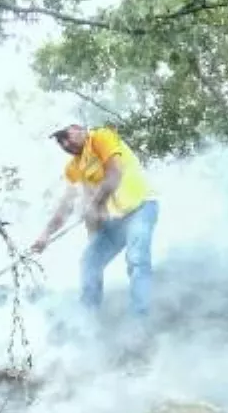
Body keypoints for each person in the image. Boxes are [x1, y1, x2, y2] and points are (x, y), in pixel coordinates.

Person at [31, 124, 159, 318]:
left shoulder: (100, 137)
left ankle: (140, 322)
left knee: (137, 259)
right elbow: (66, 206)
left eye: (66, 136)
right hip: (117, 221)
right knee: (90, 262)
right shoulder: (73, 168)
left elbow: (114, 173)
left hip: (141, 207)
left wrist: (95, 203)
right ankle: (87, 323)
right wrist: (45, 235)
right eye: (59, 141)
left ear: (79, 129)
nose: (64, 143)